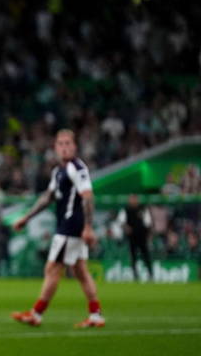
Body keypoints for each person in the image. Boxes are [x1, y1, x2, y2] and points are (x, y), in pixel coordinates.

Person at [11, 129, 104, 328]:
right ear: (55, 148)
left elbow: (88, 196)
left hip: (71, 226)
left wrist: (88, 227)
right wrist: (26, 218)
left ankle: (36, 314)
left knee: (52, 269)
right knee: (80, 271)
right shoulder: (58, 171)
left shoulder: (77, 168)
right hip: (70, 226)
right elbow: (47, 198)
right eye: (60, 144)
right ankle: (96, 315)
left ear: (75, 146)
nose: (64, 147)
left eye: (68, 143)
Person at [117, 194, 153, 281]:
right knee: (133, 256)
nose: (133, 201)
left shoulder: (143, 209)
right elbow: (120, 221)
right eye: (131, 199)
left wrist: (148, 235)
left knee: (146, 255)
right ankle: (135, 275)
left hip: (142, 236)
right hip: (132, 236)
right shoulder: (125, 210)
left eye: (134, 199)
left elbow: (148, 222)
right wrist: (126, 228)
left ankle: (150, 274)